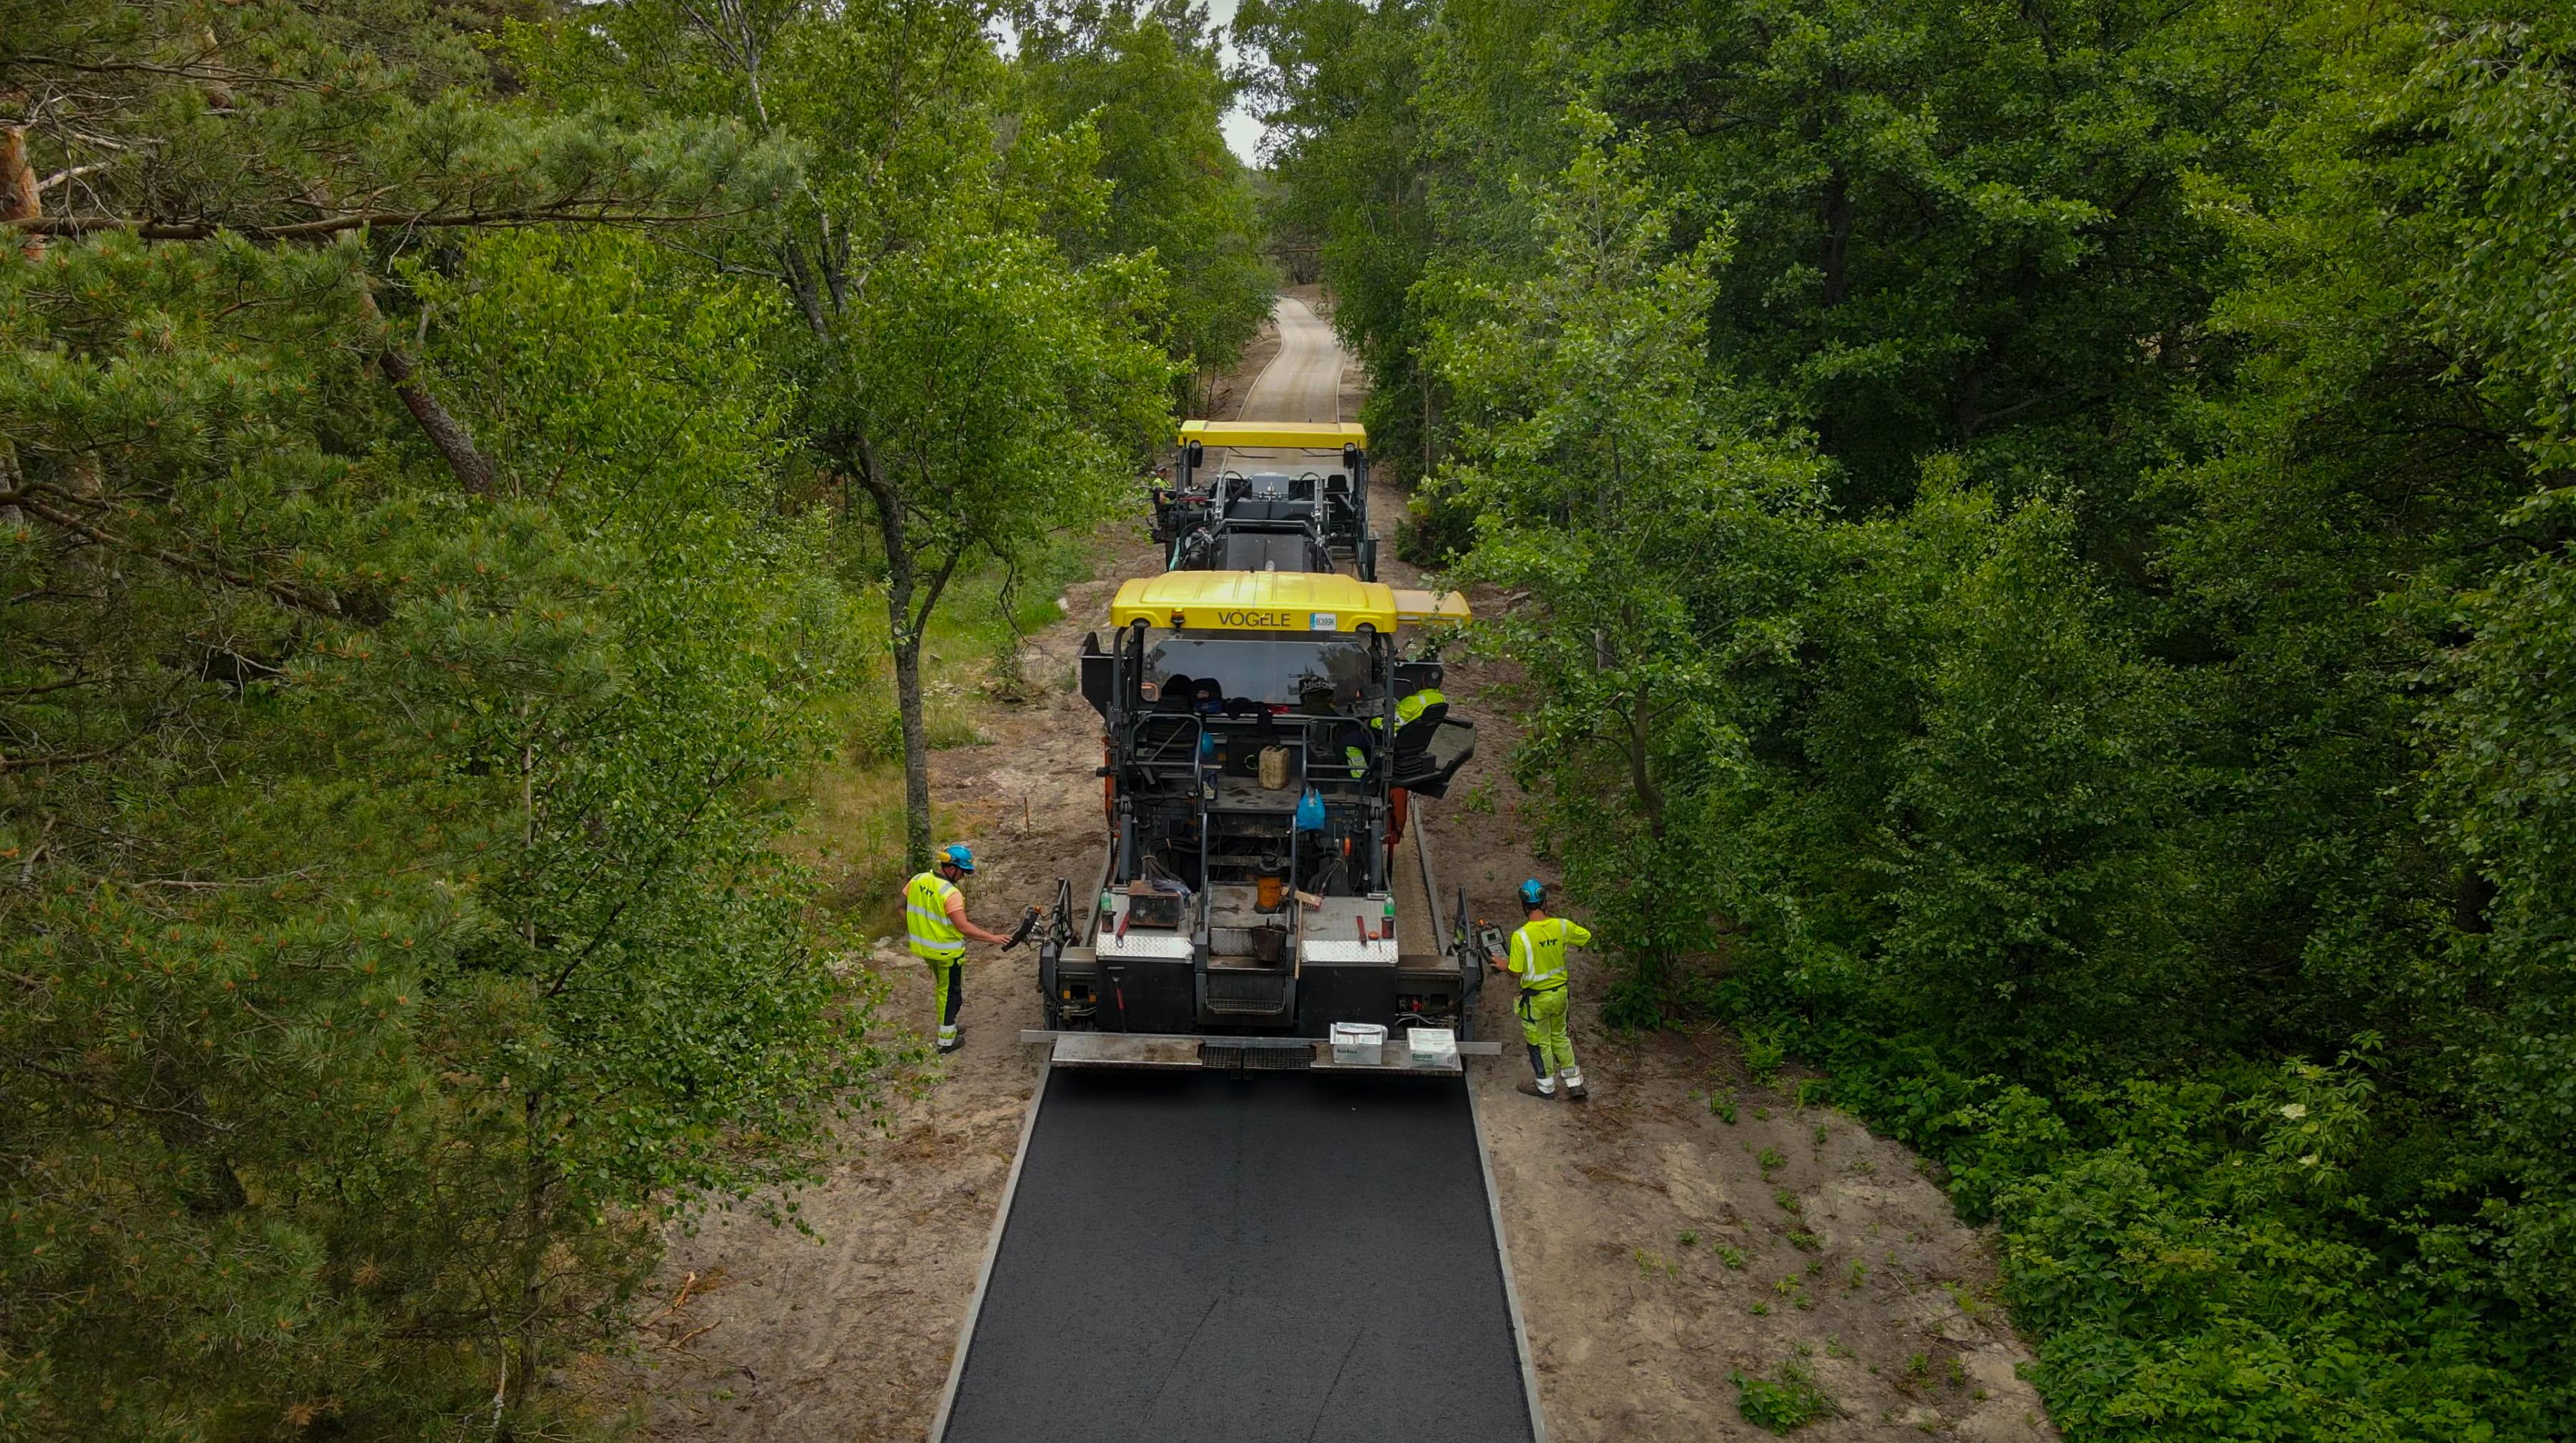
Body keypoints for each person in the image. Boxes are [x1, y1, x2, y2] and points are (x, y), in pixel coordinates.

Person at [906, 843, 1011, 1054]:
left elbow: (903, 906)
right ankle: (946, 1041)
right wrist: (994, 938)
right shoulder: (951, 893)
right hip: (947, 953)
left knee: (944, 990)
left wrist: (921, 928)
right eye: (963, 871)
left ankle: (951, 1028)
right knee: (951, 995)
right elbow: (963, 927)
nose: (963, 876)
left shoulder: (918, 880)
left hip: (924, 949)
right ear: (951, 868)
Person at [1491, 878, 1590, 1099]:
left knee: (1540, 1042)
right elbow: (1585, 937)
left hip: (1537, 1000)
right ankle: (1575, 1083)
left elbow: (1516, 971)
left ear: (1523, 905)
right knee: (1560, 1037)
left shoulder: (1521, 936)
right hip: (1561, 994)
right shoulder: (1562, 926)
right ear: (1545, 902)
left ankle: (1545, 1087)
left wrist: (1502, 964)